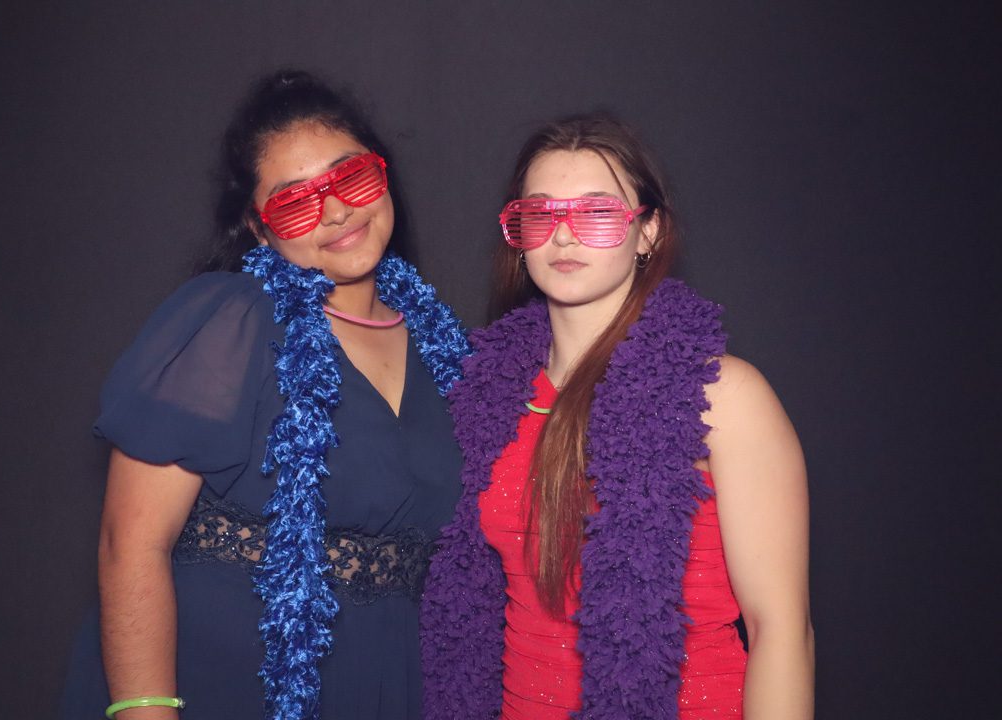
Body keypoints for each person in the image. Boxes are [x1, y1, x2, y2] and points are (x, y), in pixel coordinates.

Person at [61, 70, 469, 720]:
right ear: (259, 228)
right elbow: (129, 543)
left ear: (381, 173)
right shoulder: (229, 321)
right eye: (295, 202)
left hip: (383, 686)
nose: (336, 211)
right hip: (219, 683)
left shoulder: (447, 351)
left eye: (350, 176)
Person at [421, 114, 814, 720]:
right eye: (540, 213)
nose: (564, 236)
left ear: (647, 231)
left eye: (597, 213)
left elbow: (781, 631)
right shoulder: (486, 399)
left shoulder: (722, 395)